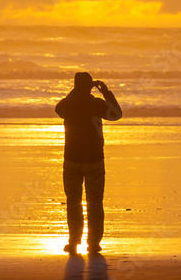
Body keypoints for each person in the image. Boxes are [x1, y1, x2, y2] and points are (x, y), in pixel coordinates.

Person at [55, 71, 122, 254]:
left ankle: (74, 242)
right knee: (95, 203)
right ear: (90, 86)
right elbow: (117, 114)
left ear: (75, 86)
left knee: (73, 202)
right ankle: (93, 244)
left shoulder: (68, 105)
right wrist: (106, 92)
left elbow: (58, 109)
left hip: (72, 160)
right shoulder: (96, 104)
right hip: (94, 160)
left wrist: (75, 91)